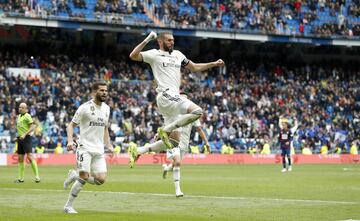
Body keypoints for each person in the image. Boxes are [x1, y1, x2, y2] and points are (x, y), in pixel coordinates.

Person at [128, 31, 224, 168]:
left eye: (173, 40)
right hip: (166, 95)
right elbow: (133, 55)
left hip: (173, 100)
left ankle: (139, 150)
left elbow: (194, 67)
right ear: (160, 42)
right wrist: (148, 39)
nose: (172, 42)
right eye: (168, 40)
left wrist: (213, 64)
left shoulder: (178, 55)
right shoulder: (154, 54)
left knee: (173, 142)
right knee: (197, 111)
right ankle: (166, 129)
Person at [63, 81, 114, 214]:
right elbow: (70, 126)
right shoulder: (84, 108)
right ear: (94, 92)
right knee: (84, 177)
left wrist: (109, 145)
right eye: (102, 90)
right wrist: (69, 141)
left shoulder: (107, 109)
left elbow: (105, 129)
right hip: (84, 148)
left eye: (106, 91)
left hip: (99, 150)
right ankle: (68, 206)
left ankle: (74, 174)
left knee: (101, 180)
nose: (104, 93)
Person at [162, 117, 210, 197]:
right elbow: (167, 125)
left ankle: (166, 168)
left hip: (184, 144)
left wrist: (206, 142)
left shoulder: (193, 115)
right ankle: (178, 190)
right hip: (173, 141)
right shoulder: (176, 111)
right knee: (177, 163)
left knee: (175, 163)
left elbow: (199, 129)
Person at [14, 102, 40, 183]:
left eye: (22, 107)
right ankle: (21, 178)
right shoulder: (19, 116)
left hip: (26, 138)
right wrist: (17, 137)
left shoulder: (27, 116)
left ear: (26, 109)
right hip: (20, 139)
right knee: (20, 158)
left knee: (29, 156)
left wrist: (25, 134)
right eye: (19, 107)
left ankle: (37, 177)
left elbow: (33, 126)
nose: (20, 108)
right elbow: (21, 128)